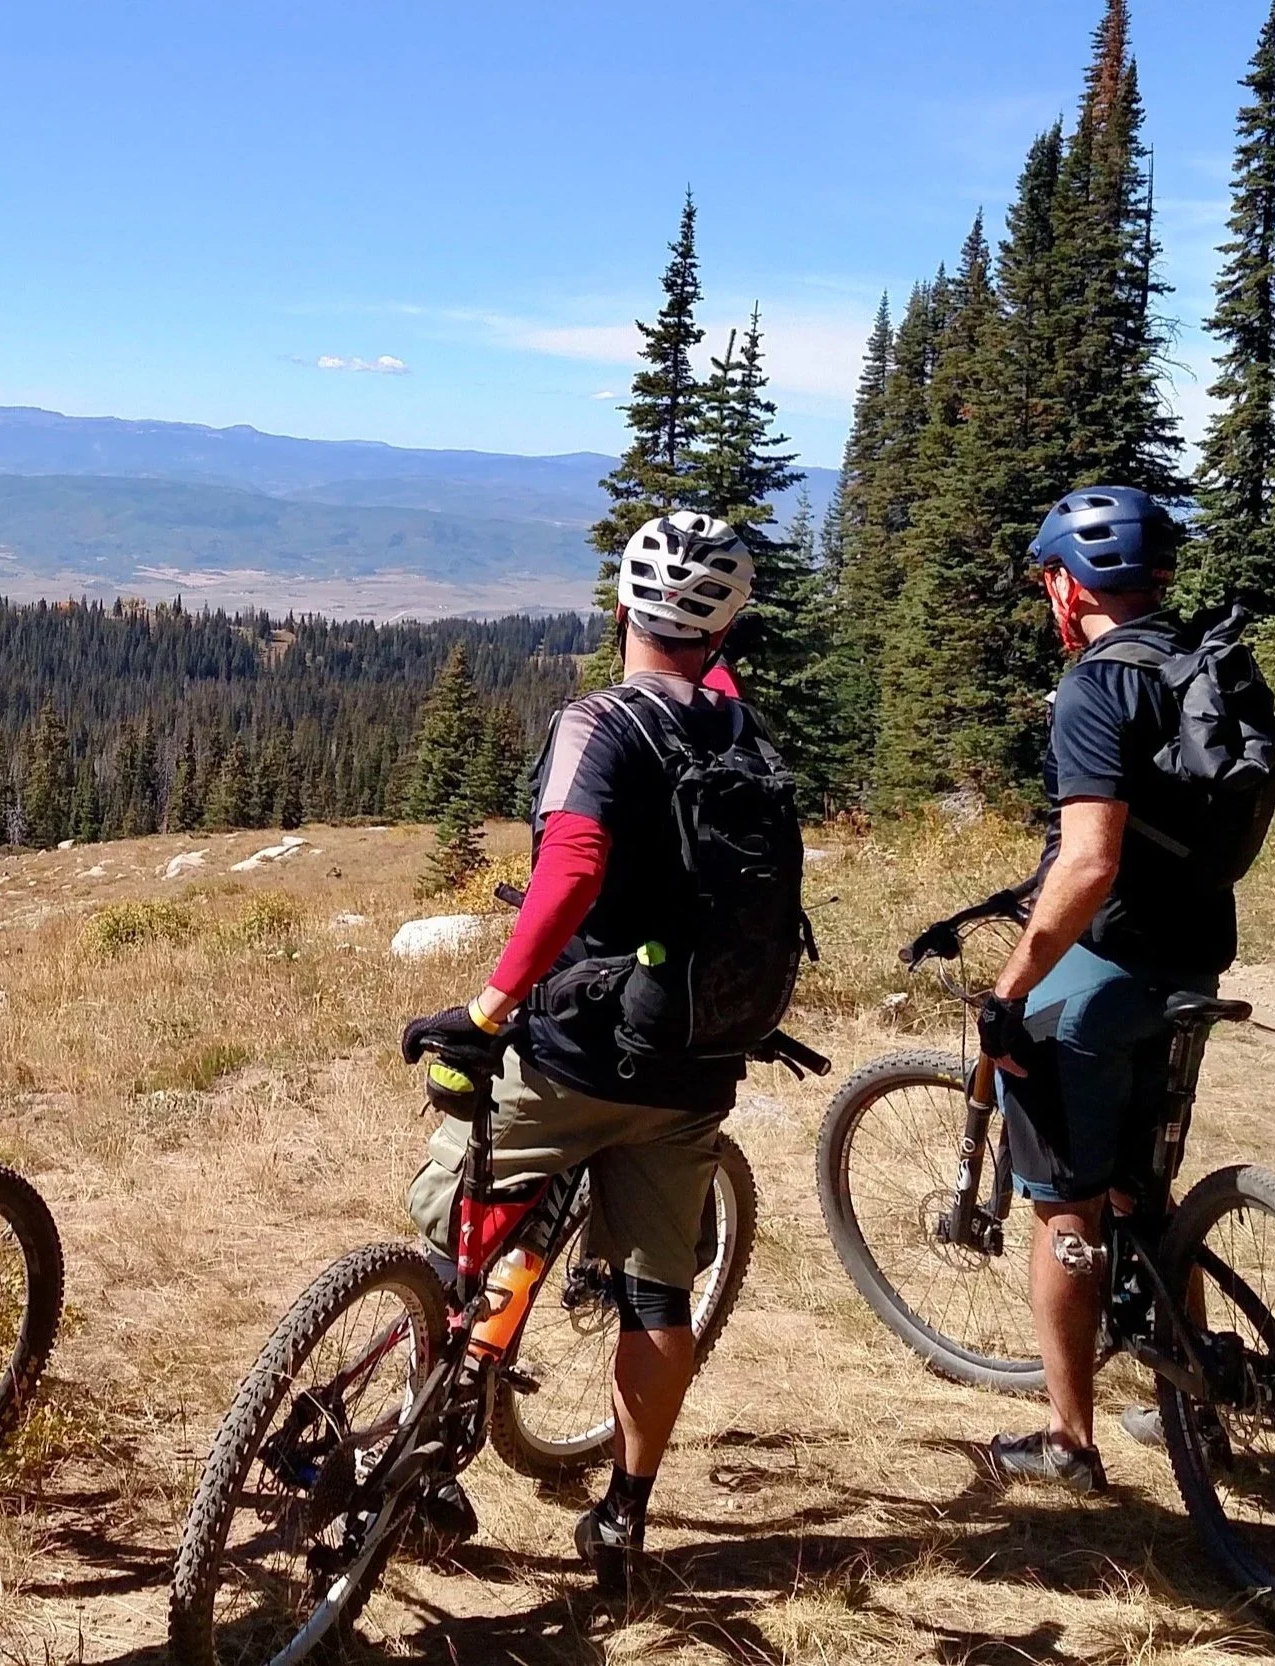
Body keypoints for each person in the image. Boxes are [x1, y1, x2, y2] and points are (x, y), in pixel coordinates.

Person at [401, 511, 783, 1591]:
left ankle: (426, 1446)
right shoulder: (743, 734)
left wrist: (483, 1009)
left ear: (621, 608)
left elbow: (568, 873)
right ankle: (622, 1516)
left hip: (583, 1050)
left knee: (452, 1224)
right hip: (698, 1057)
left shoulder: (600, 723)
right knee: (661, 1298)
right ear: (725, 631)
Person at [974, 487, 1243, 1491]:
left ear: (1065, 584)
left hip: (1104, 977)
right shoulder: (1201, 660)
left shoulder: (1097, 685)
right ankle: (1193, 1398)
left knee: (1067, 1210)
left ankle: (1067, 1438)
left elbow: (1088, 864)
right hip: (1194, 959)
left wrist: (1011, 982)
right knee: (1143, 1191)